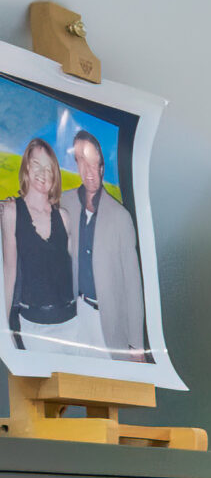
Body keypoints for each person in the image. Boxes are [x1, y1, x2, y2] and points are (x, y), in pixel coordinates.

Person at [63, 131, 148, 362]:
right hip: (71, 321)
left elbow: (132, 284)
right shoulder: (63, 203)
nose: (89, 172)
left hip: (107, 323)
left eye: (94, 163)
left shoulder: (120, 217)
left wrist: (136, 345)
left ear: (102, 167)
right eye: (82, 161)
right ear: (76, 164)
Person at [1, 139, 77, 352]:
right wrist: (4, 328)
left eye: (48, 168)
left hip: (72, 326)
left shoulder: (63, 217)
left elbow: (77, 271)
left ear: (55, 176)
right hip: (34, 328)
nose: (42, 172)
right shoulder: (11, 212)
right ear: (26, 166)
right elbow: (9, 271)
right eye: (36, 164)